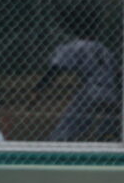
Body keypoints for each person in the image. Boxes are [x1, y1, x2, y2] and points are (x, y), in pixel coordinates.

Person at [33, 10, 118, 141]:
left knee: (69, 122)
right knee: (106, 125)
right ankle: (107, 139)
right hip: (111, 93)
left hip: (91, 91)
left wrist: (39, 88)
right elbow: (116, 72)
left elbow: (56, 69)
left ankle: (57, 143)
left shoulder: (76, 46)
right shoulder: (104, 49)